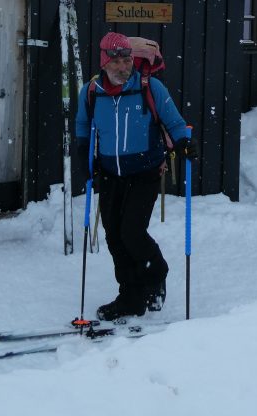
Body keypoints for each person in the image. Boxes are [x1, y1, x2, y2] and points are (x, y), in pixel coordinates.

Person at [75, 31, 197, 321]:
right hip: (110, 174)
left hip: (145, 173)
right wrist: (84, 156)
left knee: (131, 232)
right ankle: (130, 297)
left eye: (127, 59)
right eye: (116, 61)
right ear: (104, 62)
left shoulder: (150, 87)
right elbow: (83, 125)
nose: (123, 66)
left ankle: (156, 273)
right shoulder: (91, 91)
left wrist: (183, 143)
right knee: (115, 238)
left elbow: (174, 121)